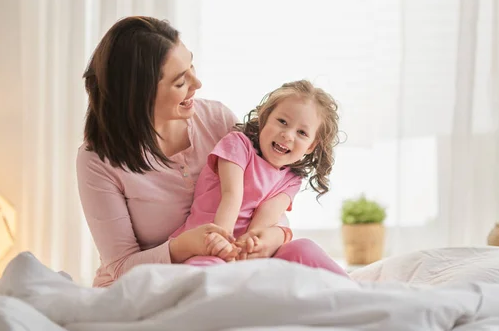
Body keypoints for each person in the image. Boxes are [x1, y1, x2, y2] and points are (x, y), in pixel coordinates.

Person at [77, 16, 348, 288]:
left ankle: (363, 299)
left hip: (231, 267)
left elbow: (265, 192)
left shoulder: (217, 119)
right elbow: (121, 267)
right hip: (145, 288)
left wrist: (275, 237)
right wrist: (183, 246)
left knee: (304, 252)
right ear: (140, 94)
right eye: (180, 81)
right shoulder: (98, 161)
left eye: (191, 65)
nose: (197, 83)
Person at [170, 80, 341, 265]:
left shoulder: (291, 180)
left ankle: (351, 290)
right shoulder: (237, 145)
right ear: (264, 118)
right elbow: (232, 195)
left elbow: (264, 220)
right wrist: (221, 242)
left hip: (242, 254)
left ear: (311, 146)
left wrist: (249, 246)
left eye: (302, 133)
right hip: (206, 244)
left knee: (305, 248)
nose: (288, 135)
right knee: (212, 268)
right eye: (282, 122)